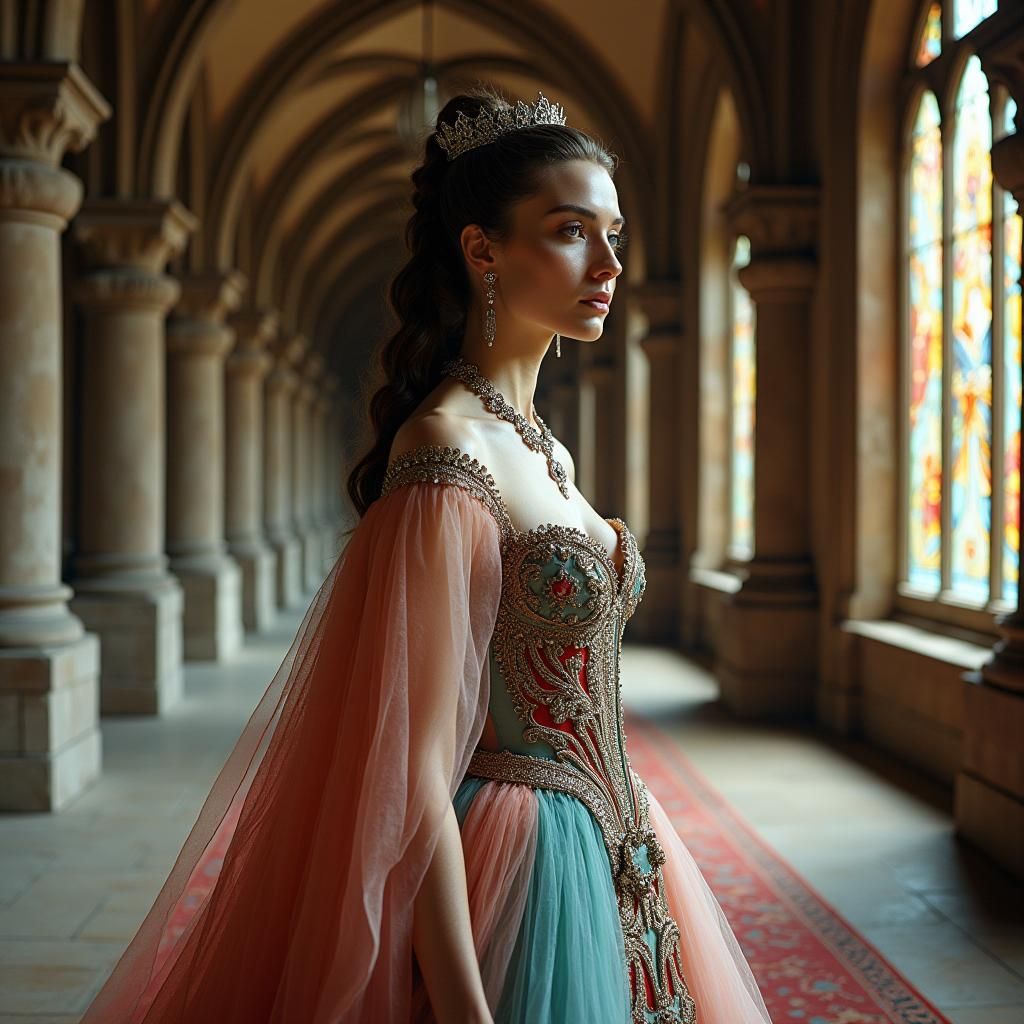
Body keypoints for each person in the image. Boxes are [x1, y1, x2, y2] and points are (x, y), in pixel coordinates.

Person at [79, 86, 773, 1024]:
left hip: (622, 841)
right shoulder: (447, 449)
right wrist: (464, 1006)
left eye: (614, 231)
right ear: (482, 249)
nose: (609, 262)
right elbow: (411, 768)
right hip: (523, 860)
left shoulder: (546, 447)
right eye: (572, 230)